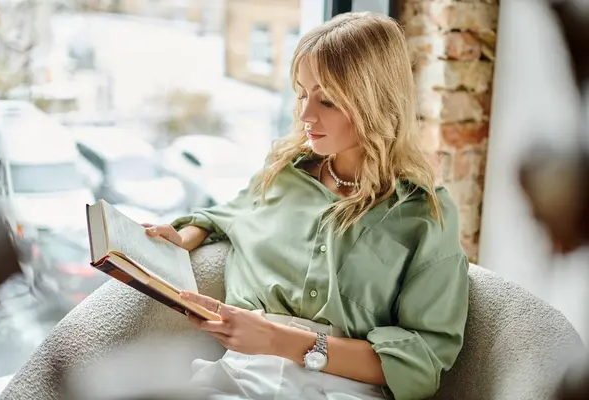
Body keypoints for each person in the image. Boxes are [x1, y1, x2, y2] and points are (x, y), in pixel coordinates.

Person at [144, 12, 469, 400]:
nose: (305, 114)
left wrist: (280, 339)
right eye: (302, 93)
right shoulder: (284, 174)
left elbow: (424, 358)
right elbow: (227, 215)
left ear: (376, 101)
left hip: (347, 389)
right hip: (241, 376)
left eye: (327, 100)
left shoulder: (424, 214)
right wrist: (184, 237)